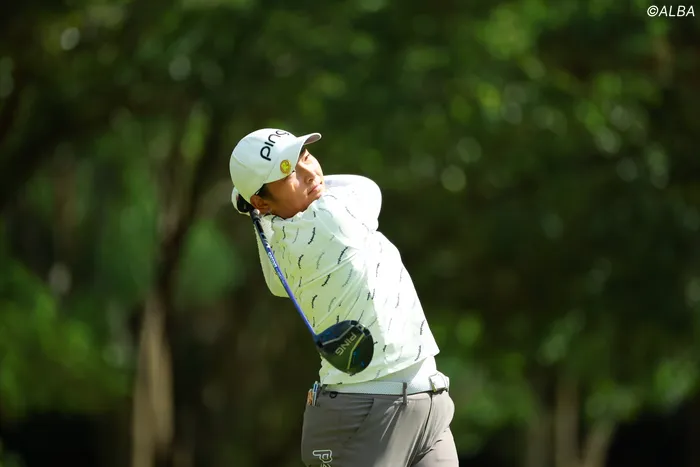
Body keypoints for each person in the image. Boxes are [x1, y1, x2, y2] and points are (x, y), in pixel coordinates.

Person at [229, 128, 458, 467]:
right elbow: (367, 187)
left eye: (305, 157)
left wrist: (256, 211)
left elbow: (276, 284)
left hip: (426, 403)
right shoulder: (332, 216)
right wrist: (251, 202)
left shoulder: (280, 247)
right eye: (289, 173)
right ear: (262, 201)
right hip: (365, 416)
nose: (309, 173)